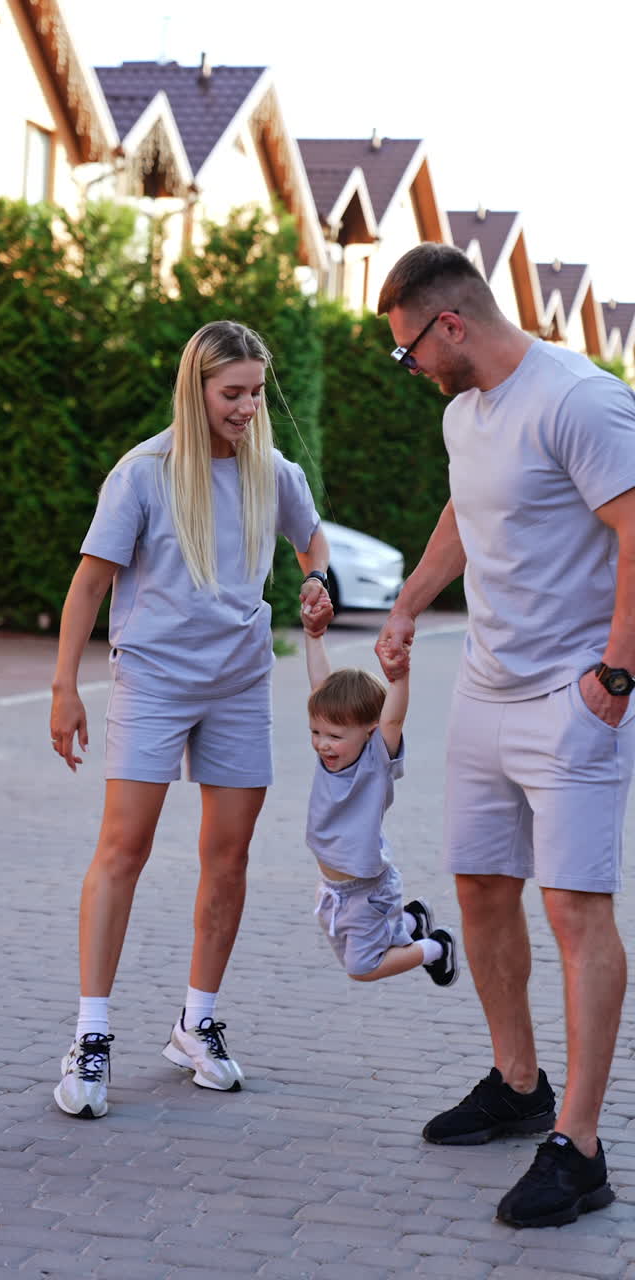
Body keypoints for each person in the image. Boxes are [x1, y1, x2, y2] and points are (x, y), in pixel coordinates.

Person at [375, 242, 635, 1229]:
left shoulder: (580, 400)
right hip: (484, 688)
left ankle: (581, 1143)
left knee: (576, 912)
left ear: (450, 324)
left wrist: (616, 673)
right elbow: (468, 511)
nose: (409, 371)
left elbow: (634, 530)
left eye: (408, 352)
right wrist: (408, 601)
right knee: (482, 887)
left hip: (576, 695)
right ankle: (519, 1082)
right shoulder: (466, 412)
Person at [50, 319, 333, 1119]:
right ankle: (92, 1034)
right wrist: (64, 688)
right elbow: (88, 586)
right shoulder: (143, 473)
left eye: (254, 392)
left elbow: (313, 543)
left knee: (229, 856)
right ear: (197, 388)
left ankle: (196, 1023)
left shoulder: (272, 472)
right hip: (153, 683)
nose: (247, 407)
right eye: (231, 393)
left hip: (241, 686)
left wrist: (316, 583)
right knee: (123, 850)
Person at [304, 622, 458, 988]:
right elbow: (320, 688)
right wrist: (313, 637)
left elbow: (394, 717)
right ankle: (410, 922)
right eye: (316, 732)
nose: (323, 744)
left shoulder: (374, 763)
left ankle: (435, 947)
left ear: (370, 732)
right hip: (333, 889)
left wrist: (399, 679)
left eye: (335, 737)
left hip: (366, 892)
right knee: (359, 950)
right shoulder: (332, 758)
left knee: (362, 967)